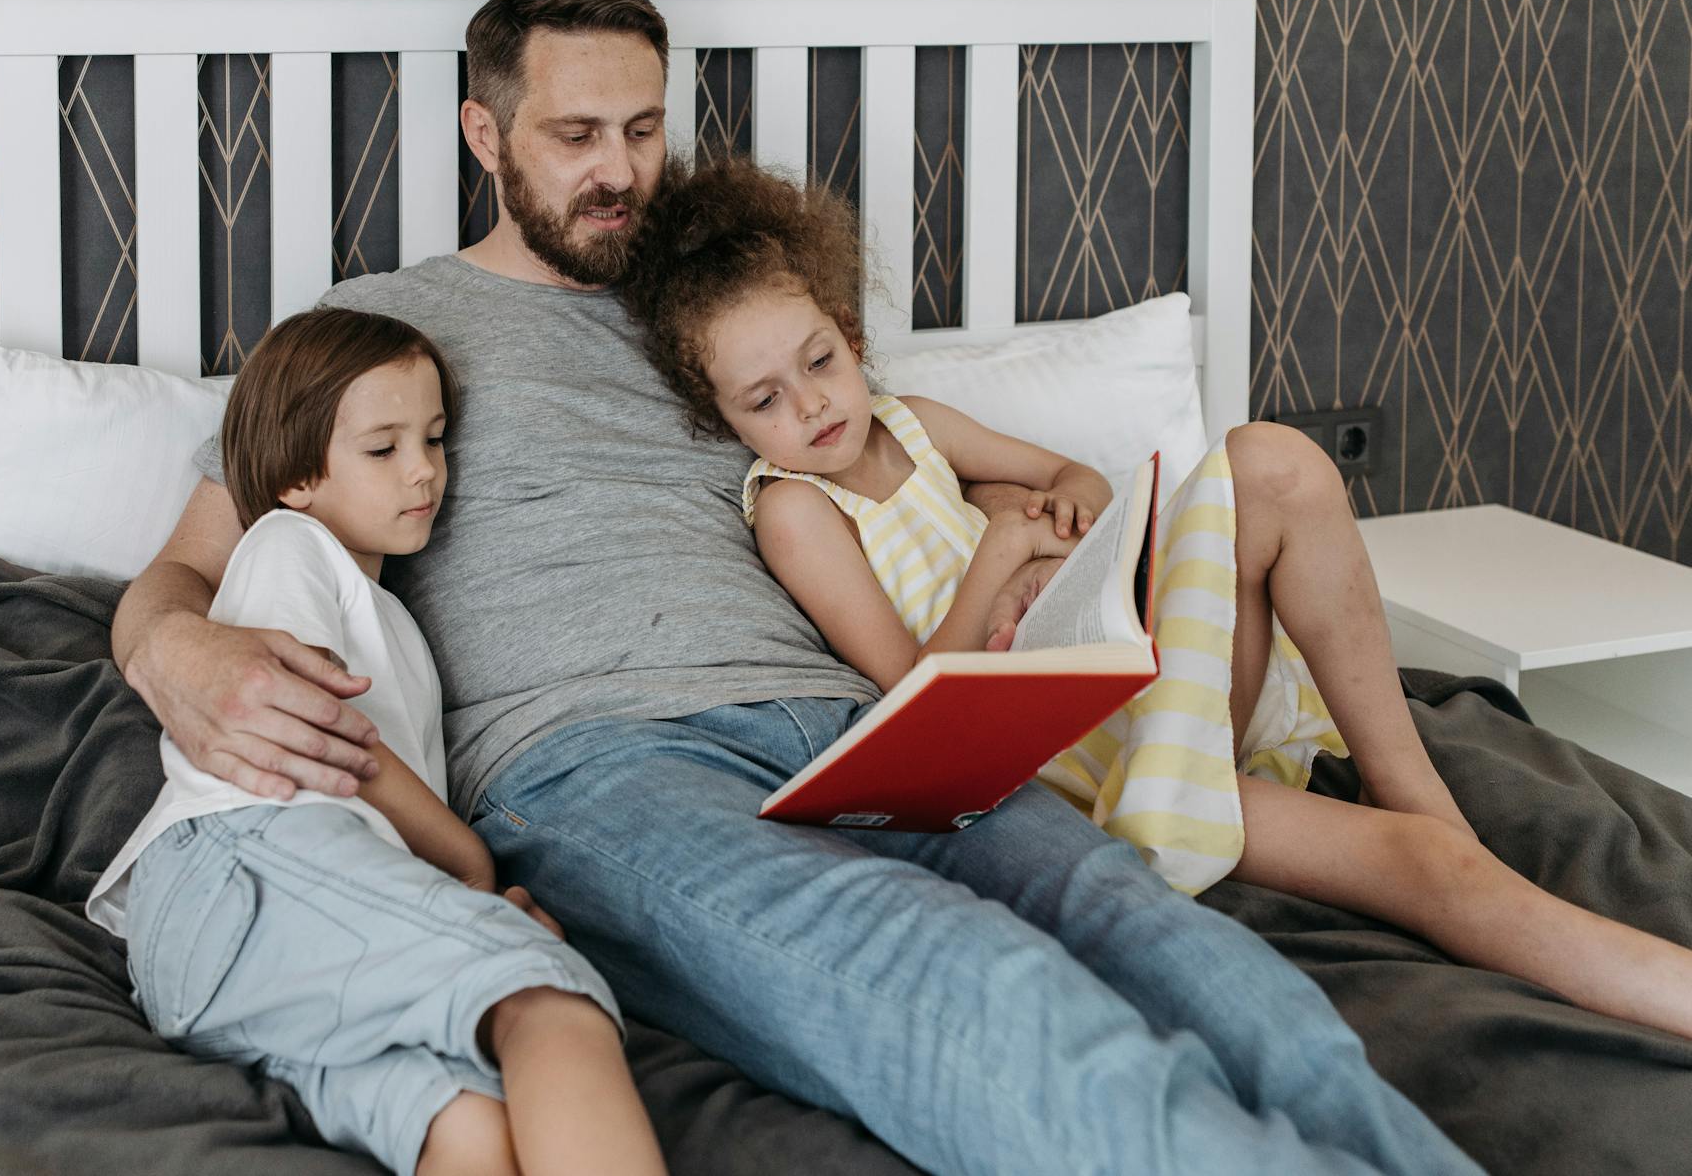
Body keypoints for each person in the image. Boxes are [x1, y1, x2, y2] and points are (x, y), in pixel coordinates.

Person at [112, 0, 1484, 1176]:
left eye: (643, 130)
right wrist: (182, 652)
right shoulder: (382, 337)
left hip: (864, 730)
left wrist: (1041, 520)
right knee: (973, 987)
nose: (618, 170)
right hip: (600, 764)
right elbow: (183, 572)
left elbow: (909, 454)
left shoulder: (719, 316)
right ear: (485, 133)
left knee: (1202, 964)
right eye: (576, 134)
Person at [621, 154, 1692, 1042]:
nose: (809, 405)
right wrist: (996, 561)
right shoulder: (795, 512)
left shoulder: (913, 422)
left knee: (1269, 460)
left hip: (1138, 691)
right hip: (1082, 778)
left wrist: (1053, 536)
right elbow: (910, 699)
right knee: (1421, 871)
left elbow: (1076, 479)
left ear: (851, 338)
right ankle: (1463, 865)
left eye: (819, 361)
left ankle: (1408, 782)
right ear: (723, 422)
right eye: (764, 398)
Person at [89, 308, 667, 1176]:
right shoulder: (290, 546)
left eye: (434, 440)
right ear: (294, 478)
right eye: (383, 448)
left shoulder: (393, 618)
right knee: (550, 998)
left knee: (467, 1118)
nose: (424, 471)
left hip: (223, 951)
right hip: (248, 856)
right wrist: (472, 872)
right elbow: (325, 735)